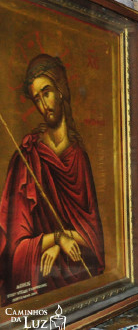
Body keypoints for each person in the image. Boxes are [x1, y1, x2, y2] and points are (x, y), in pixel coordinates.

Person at [0, 54, 105, 305]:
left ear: (60, 92)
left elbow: (95, 241)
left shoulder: (79, 156)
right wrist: (58, 238)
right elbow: (15, 251)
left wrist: (62, 243)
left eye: (46, 93)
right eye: (36, 98)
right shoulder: (26, 157)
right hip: (40, 288)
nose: (43, 104)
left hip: (78, 288)